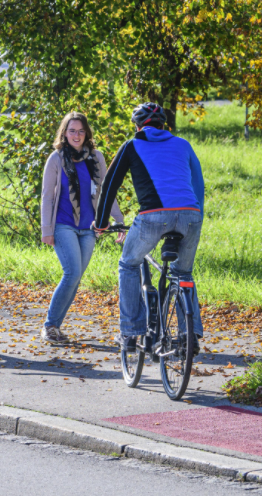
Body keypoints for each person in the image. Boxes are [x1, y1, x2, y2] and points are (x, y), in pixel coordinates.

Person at [93, 102, 204, 351]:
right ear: (164, 125)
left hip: (153, 216)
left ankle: (130, 332)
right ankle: (190, 336)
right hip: (191, 215)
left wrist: (101, 224)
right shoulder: (183, 145)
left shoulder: (131, 145)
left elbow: (109, 186)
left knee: (129, 263)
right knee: (183, 273)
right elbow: (198, 186)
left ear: (137, 126)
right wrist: (196, 219)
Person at [40, 112, 125, 344]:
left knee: (75, 278)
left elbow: (107, 191)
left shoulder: (96, 157)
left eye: (80, 131)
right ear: (64, 133)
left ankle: (55, 326)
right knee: (72, 273)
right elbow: (47, 196)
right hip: (63, 225)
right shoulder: (56, 158)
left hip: (89, 227)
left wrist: (118, 220)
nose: (76, 135)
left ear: (86, 133)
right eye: (71, 131)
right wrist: (46, 229)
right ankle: (49, 326)